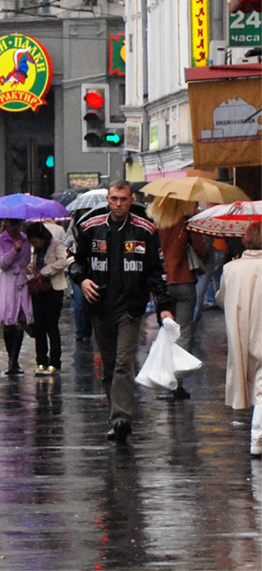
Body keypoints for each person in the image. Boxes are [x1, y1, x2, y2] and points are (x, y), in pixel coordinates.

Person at [71, 180, 175, 442]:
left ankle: (121, 418)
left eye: (123, 199)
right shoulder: (90, 227)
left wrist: (164, 308)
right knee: (108, 366)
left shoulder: (145, 230)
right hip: (100, 305)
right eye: (114, 199)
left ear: (132, 200)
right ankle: (114, 415)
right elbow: (76, 262)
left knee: (123, 362)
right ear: (108, 199)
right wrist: (82, 280)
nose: (118, 204)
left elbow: (157, 272)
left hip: (130, 307)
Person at [153, 196, 212, 400]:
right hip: (184, 282)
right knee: (184, 332)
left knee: (166, 332)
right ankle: (177, 382)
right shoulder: (186, 224)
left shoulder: (154, 226)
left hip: (162, 284)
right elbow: (203, 251)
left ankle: (164, 377)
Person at [217, 222, 262, 458]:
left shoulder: (230, 268)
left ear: (245, 240)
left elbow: (221, 299)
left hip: (240, 332)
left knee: (253, 380)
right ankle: (257, 435)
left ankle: (257, 436)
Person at [0, 218, 34, 376]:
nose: (15, 227)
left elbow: (27, 260)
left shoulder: (26, 239)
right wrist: (14, 250)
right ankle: (11, 360)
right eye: (12, 224)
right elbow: (2, 264)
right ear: (6, 223)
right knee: (8, 321)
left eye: (18, 224)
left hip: (21, 282)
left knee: (20, 320)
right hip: (7, 282)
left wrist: (27, 268)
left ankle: (14, 361)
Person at [26, 223, 70, 375]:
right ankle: (41, 361)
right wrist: (30, 268)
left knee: (51, 325)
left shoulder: (56, 244)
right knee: (39, 325)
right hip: (38, 289)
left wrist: (47, 270)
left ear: (42, 238)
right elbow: (34, 265)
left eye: (36, 241)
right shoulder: (36, 250)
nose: (34, 244)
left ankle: (54, 362)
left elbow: (64, 261)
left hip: (53, 289)